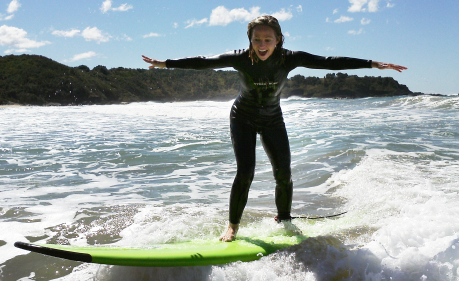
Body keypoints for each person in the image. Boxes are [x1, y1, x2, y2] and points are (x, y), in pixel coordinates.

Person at [142, 15, 407, 242]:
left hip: (272, 118)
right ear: (250, 40)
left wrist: (372, 63)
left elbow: (329, 61)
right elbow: (204, 61)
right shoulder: (240, 59)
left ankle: (284, 220)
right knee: (245, 172)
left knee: (284, 173)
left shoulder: (289, 59)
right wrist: (167, 63)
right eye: (257, 39)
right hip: (242, 117)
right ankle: (232, 226)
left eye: (268, 39)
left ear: (278, 39)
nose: (262, 45)